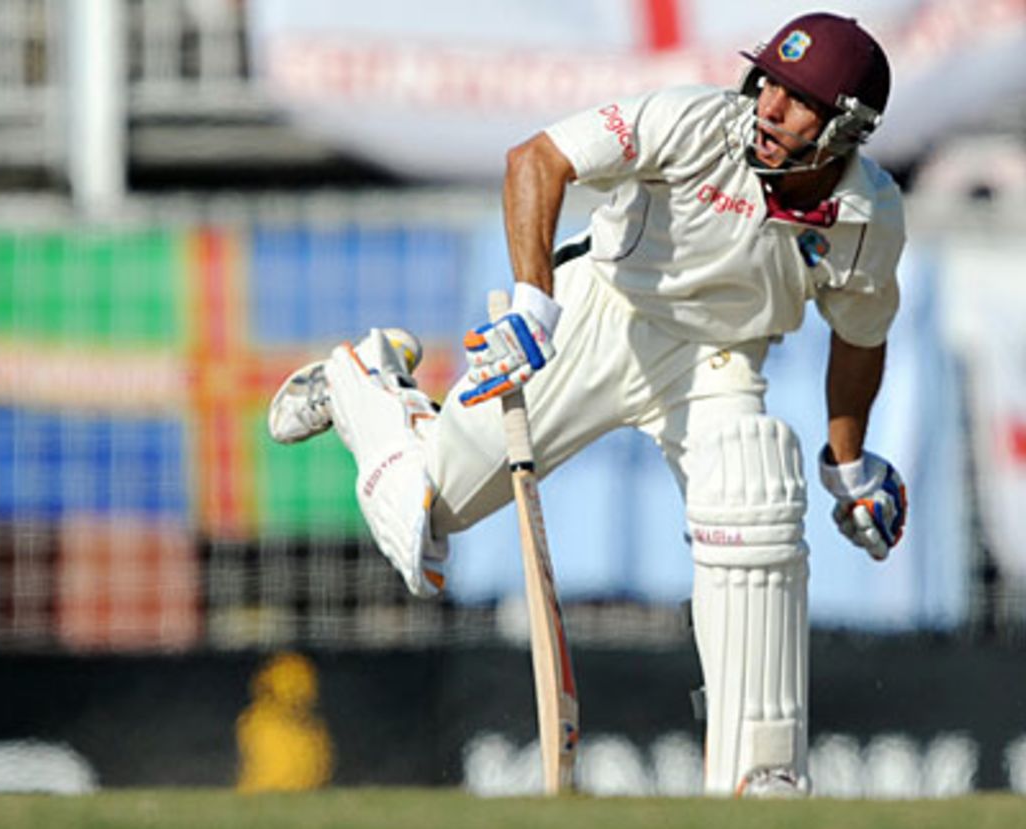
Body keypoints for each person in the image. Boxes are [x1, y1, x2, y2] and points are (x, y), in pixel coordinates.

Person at [267, 11, 908, 796]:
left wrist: (849, 465)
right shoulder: (693, 121)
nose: (769, 108)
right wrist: (533, 307)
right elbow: (537, 158)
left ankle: (760, 769)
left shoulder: (869, 216)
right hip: (602, 315)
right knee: (422, 516)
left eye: (799, 99)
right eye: (768, 82)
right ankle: (367, 380)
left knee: (755, 487)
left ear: (847, 127)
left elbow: (861, 334)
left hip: (718, 361)